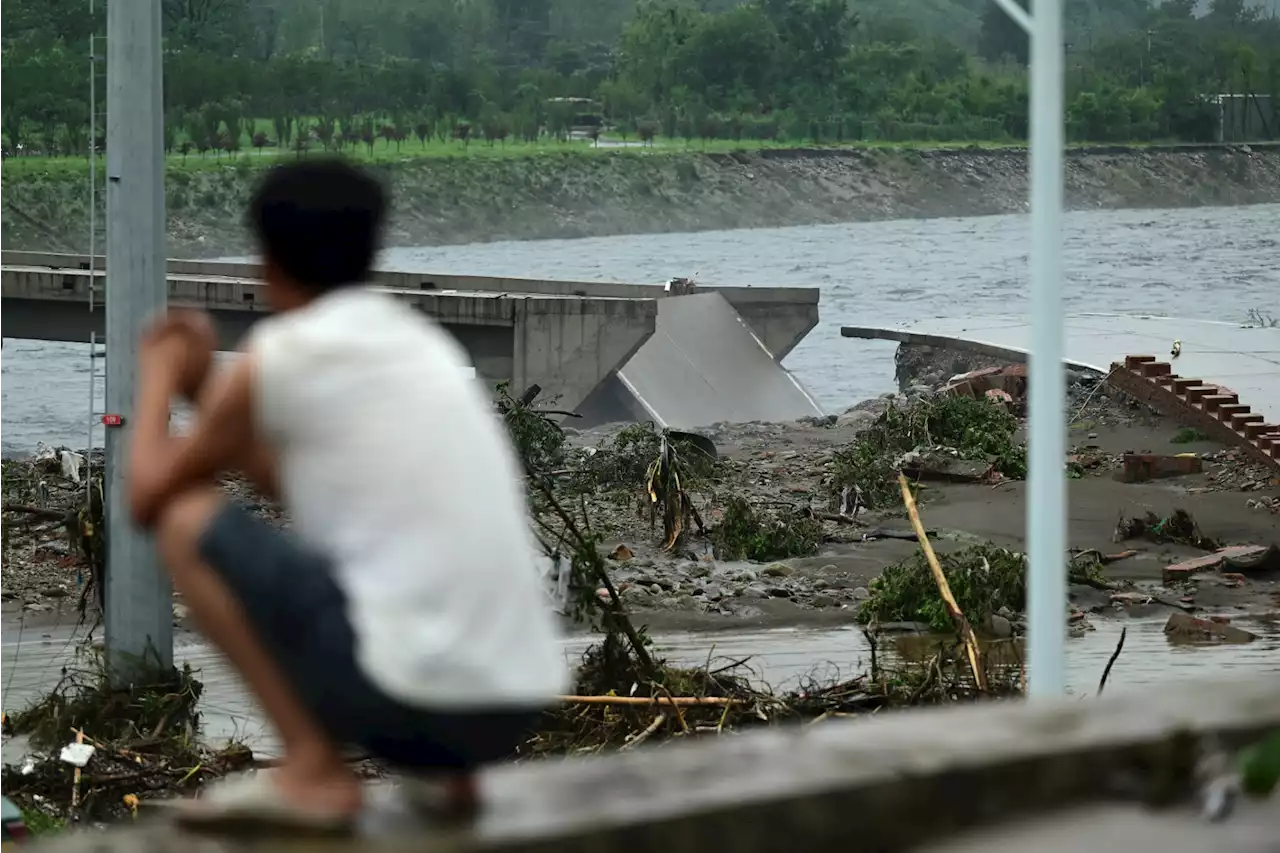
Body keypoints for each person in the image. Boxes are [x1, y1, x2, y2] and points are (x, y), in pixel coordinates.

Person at [126, 159, 568, 833]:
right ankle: (455, 780)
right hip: (512, 706)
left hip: (410, 706)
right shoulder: (418, 343)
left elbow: (146, 496)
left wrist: (158, 374)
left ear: (267, 265)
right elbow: (279, 478)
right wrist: (202, 396)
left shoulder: (284, 352)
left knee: (187, 521)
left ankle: (312, 770)